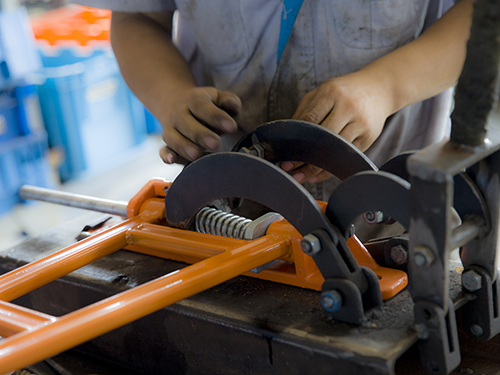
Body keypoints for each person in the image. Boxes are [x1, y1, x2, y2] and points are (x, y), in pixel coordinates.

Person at [75, 0, 472, 201]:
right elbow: (138, 16)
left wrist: (388, 85)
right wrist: (171, 95)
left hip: (397, 205)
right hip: (230, 202)